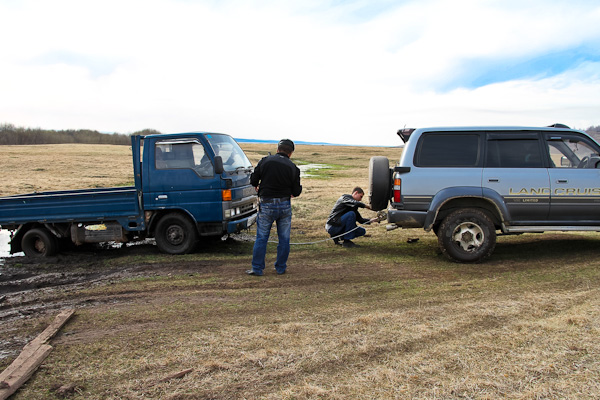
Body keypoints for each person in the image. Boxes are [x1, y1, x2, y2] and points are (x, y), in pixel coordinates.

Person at [247, 139, 302, 276]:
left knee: (262, 237)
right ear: (290, 153)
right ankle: (280, 268)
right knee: (284, 238)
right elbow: (296, 192)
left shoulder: (265, 161)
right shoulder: (293, 168)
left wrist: (258, 185)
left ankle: (257, 268)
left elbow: (253, 179)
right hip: (284, 205)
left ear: (278, 149)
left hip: (266, 203)